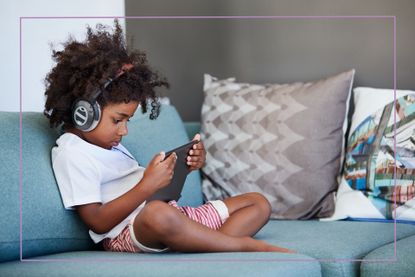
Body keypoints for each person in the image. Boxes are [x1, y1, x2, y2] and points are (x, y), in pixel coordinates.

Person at [44, 20, 293, 254]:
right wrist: (147, 186)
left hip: (173, 215)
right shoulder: (72, 153)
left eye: (127, 121)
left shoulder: (110, 146)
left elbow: (165, 199)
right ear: (84, 113)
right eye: (117, 120)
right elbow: (97, 222)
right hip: (131, 230)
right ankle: (240, 247)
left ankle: (205, 245)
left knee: (258, 203)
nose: (124, 131)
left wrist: (185, 167)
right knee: (157, 215)